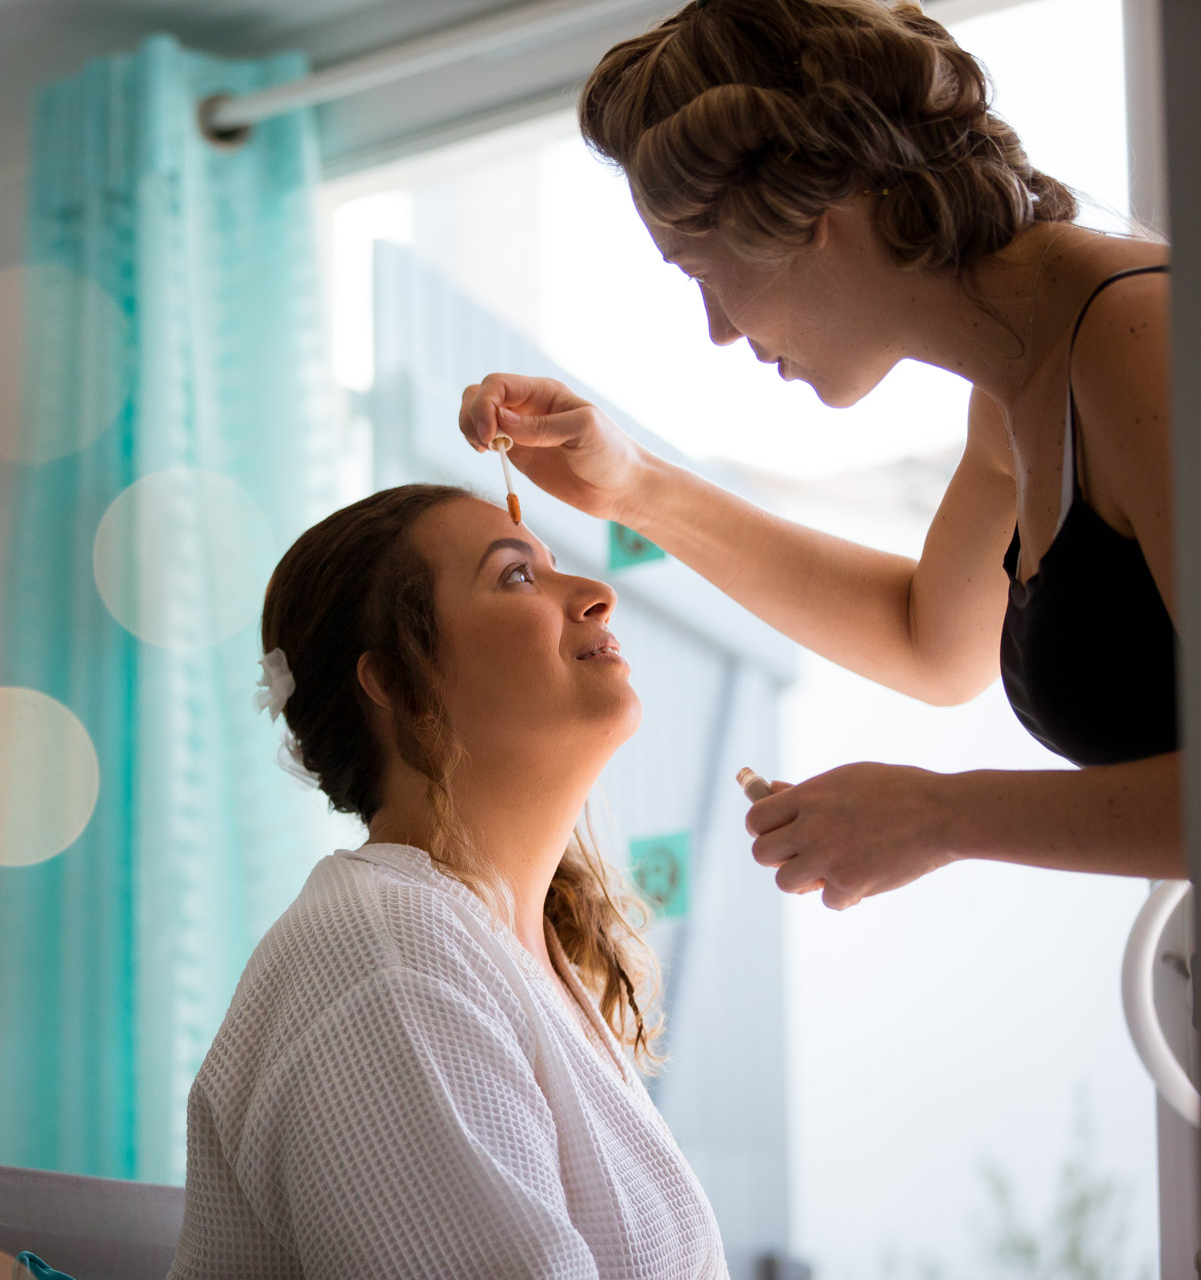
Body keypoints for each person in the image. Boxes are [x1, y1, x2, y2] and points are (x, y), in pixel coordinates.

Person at [458, 0, 1181, 910]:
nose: (719, 329)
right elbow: (931, 642)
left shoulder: (1135, 339)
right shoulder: (1024, 391)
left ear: (812, 216)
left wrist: (940, 817)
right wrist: (636, 490)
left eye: (703, 272)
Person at [168, 485, 726, 1280]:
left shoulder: (495, 957)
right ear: (396, 681)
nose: (598, 595)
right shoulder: (383, 956)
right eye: (517, 577)